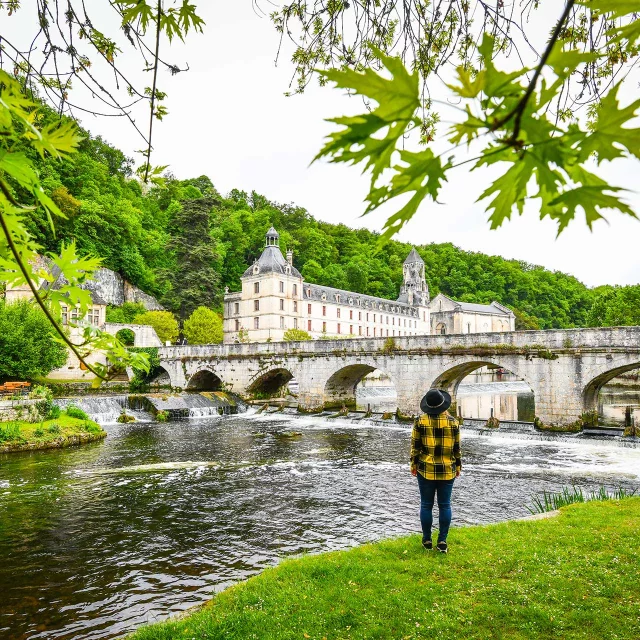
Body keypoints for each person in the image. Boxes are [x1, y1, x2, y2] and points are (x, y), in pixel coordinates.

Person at [410, 388, 462, 554]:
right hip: (448, 468)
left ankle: (426, 540)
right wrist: (458, 466)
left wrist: (413, 465)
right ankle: (442, 541)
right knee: (445, 505)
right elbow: (457, 448)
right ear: (443, 404)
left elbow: (415, 446)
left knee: (426, 505)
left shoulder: (420, 421)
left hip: (426, 468)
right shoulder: (453, 422)